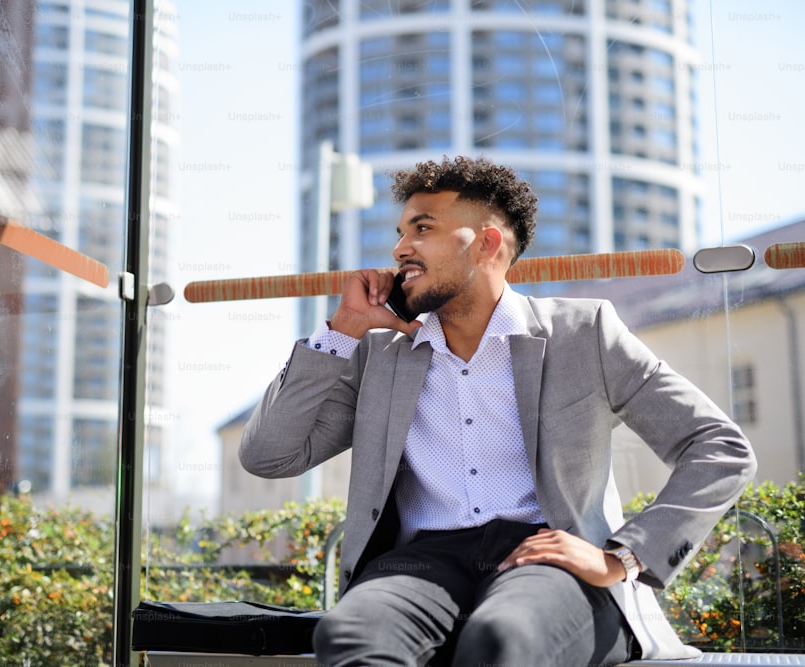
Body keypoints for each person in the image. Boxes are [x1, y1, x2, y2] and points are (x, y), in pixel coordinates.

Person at [239, 156, 756, 666]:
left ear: (486, 244)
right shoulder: (377, 353)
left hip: (546, 559)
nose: (400, 249)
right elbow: (269, 456)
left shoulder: (584, 332)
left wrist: (621, 557)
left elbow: (719, 448)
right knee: (349, 635)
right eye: (400, 233)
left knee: (501, 640)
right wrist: (341, 331)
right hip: (420, 563)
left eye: (422, 228)